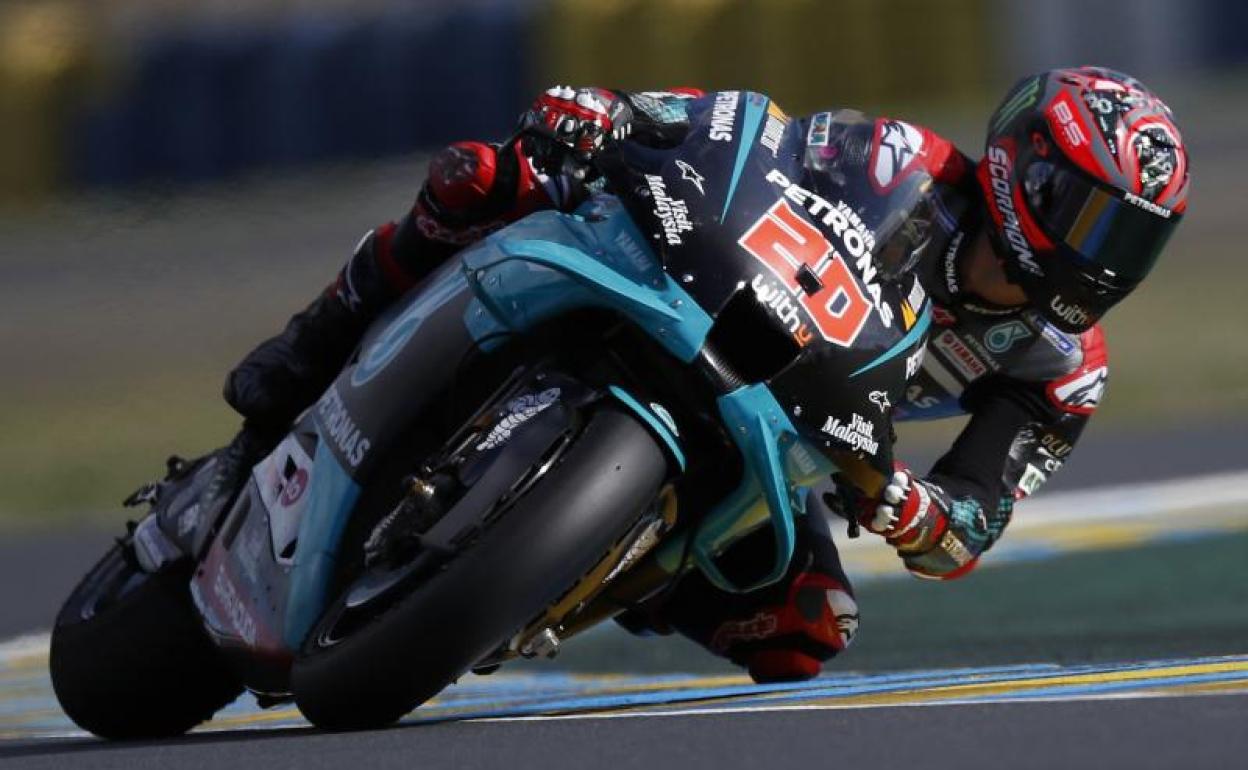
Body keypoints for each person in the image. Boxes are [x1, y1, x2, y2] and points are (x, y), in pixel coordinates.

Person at [209, 68, 1190, 683]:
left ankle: (604, 566)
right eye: (1094, 219)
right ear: (1025, 173)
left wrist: (917, 512)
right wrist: (627, 115)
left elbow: (973, 518)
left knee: (807, 628)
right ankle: (315, 338)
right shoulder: (903, 162)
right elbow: (750, 135)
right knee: (488, 175)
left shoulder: (1063, 369)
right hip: (708, 293)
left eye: (1134, 242)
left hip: (797, 433)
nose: (1106, 260)